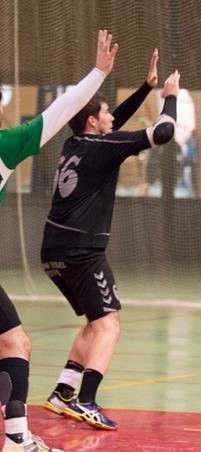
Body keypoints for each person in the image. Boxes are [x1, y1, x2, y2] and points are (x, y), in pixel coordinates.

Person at [39, 51, 180, 431]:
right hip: (81, 251)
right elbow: (164, 132)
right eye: (106, 116)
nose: (112, 120)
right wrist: (169, 96)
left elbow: (112, 118)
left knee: (93, 321)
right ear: (92, 121)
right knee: (109, 325)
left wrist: (144, 88)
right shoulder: (103, 148)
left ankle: (63, 392)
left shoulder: (75, 145)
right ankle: (87, 400)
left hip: (53, 250)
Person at [0, 30, 116, 452]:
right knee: (15, 342)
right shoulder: (5, 145)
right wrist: (98, 74)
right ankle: (16, 440)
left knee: (13, 341)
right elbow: (56, 114)